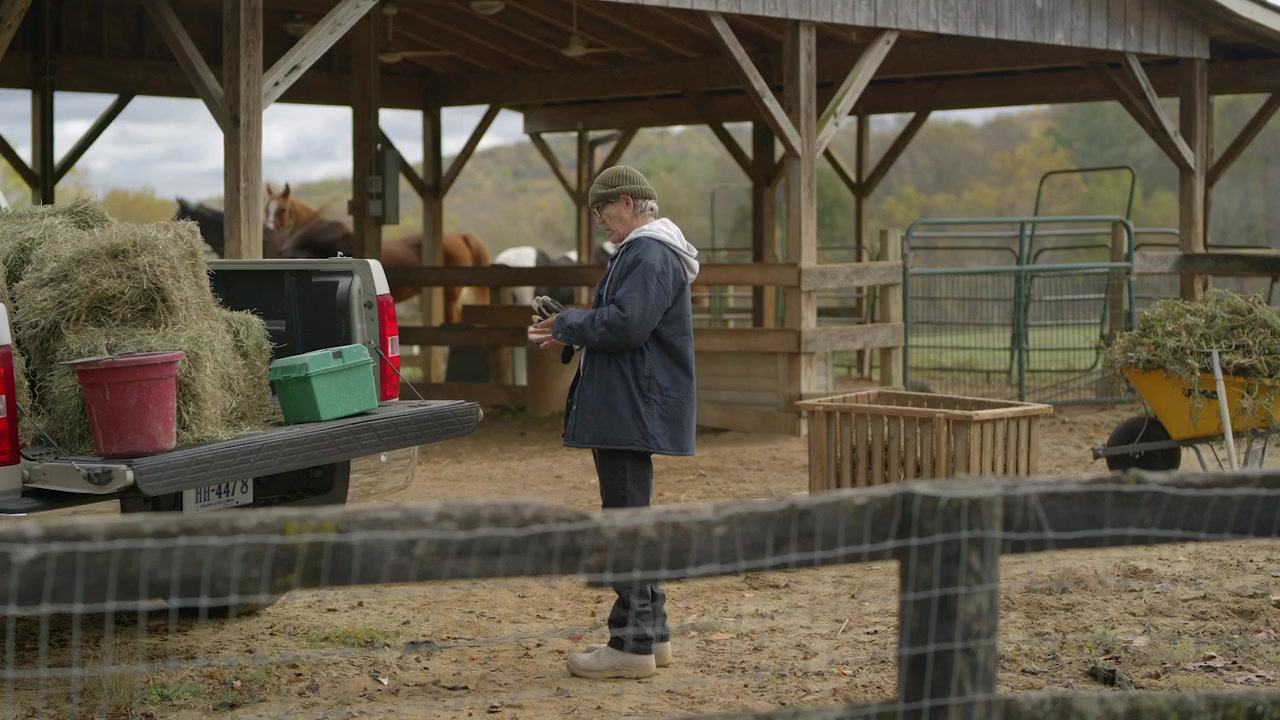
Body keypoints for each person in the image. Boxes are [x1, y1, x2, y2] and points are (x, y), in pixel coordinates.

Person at [527, 165, 699, 680]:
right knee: (632, 518)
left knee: (624, 520)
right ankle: (653, 635)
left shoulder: (648, 253)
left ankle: (631, 644)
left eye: (602, 210)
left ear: (626, 202)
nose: (599, 221)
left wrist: (571, 322)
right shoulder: (645, 252)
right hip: (630, 402)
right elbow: (623, 320)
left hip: (629, 405)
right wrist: (570, 325)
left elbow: (627, 324)